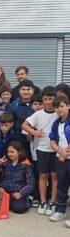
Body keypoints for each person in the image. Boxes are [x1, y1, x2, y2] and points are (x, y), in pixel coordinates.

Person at [22, 86, 58, 216]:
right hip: (42, 149)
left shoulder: (59, 112)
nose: (48, 101)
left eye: (51, 99)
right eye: (46, 99)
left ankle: (52, 201)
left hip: (57, 150)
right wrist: (34, 131)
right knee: (43, 176)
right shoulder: (38, 114)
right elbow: (24, 125)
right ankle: (43, 201)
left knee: (55, 177)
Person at [0, 141, 34, 214]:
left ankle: (29, 199)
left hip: (18, 192)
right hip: (5, 190)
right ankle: (10, 202)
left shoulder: (26, 164)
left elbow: (31, 184)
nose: (9, 154)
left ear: (19, 152)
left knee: (18, 209)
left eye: (12, 152)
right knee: (3, 206)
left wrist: (21, 194)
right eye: (8, 152)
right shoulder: (5, 161)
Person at [49, 95, 70, 226]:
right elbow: (52, 141)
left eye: (61, 106)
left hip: (66, 156)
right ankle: (60, 210)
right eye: (56, 107)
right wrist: (59, 152)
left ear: (68, 105)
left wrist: (66, 152)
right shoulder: (56, 123)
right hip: (60, 158)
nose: (59, 109)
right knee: (61, 184)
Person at [7, 79, 35, 148]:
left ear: (33, 91)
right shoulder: (13, 105)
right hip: (19, 140)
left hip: (36, 139)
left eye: (28, 89)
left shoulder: (38, 103)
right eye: (23, 89)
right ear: (19, 91)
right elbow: (10, 123)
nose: (26, 92)